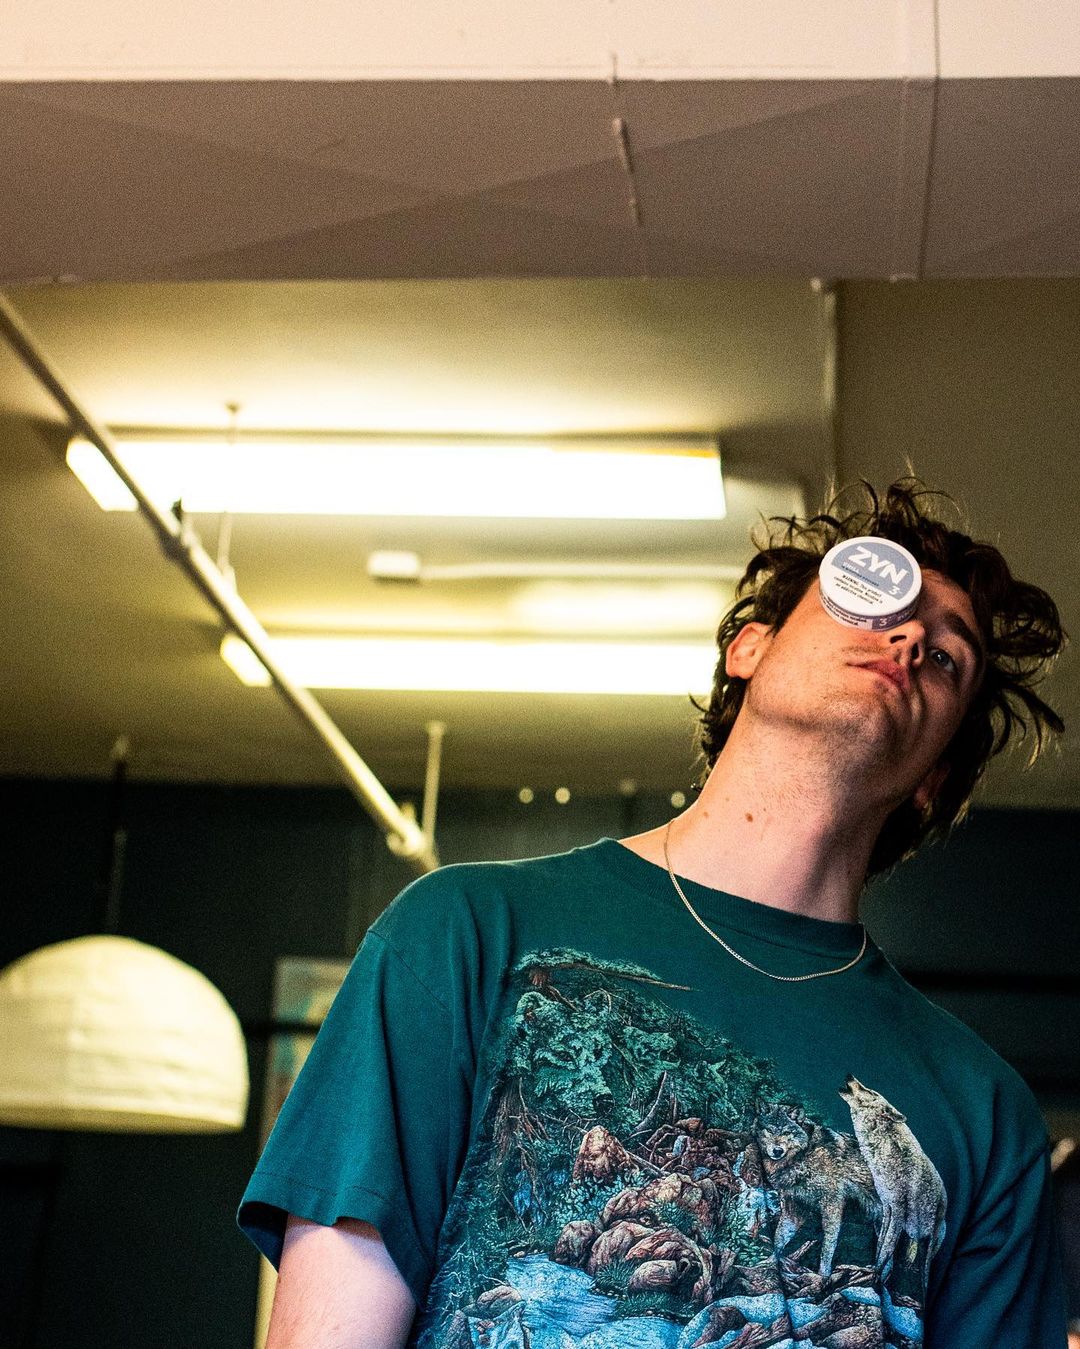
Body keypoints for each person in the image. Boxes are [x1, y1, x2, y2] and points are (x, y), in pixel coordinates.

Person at [238, 477, 1069, 1348]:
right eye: (866, 596)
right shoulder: (463, 935)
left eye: (947, 657)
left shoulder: (984, 1114)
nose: (907, 637)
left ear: (936, 777)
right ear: (749, 647)